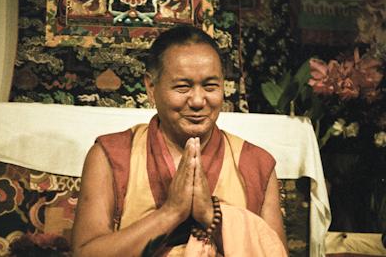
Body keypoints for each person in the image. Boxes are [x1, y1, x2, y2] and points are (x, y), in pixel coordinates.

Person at [71, 25, 287, 256]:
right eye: (183, 86)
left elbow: (274, 251)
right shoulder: (112, 155)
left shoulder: (255, 163)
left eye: (210, 86)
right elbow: (86, 252)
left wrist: (208, 214)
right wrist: (172, 212)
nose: (197, 100)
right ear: (151, 87)